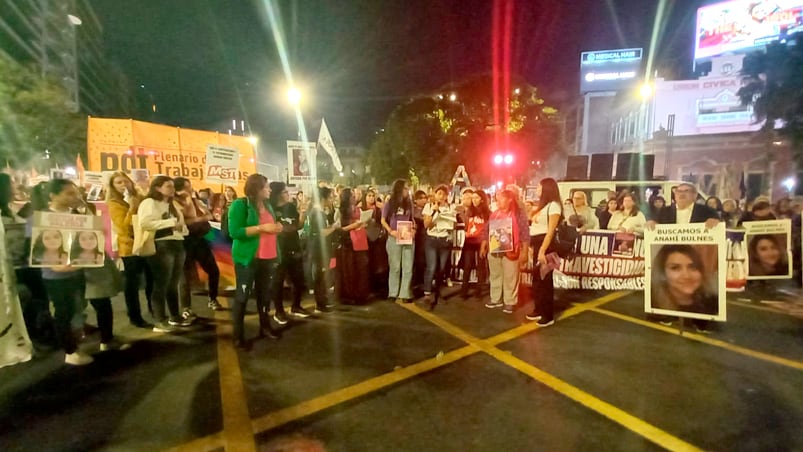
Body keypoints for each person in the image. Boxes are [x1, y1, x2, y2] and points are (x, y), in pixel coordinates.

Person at [647, 182, 720, 331]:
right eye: (678, 191)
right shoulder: (664, 211)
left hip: (694, 254)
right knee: (671, 285)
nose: (681, 194)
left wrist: (716, 223)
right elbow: (654, 227)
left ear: (694, 195)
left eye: (686, 191)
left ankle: (700, 320)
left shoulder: (706, 211)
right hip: (671, 255)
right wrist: (651, 223)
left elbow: (719, 228)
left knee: (696, 286)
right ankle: (667, 314)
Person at [39, 179, 93, 365]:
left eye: (75, 192)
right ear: (53, 195)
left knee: (78, 307)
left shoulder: (77, 214)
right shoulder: (41, 218)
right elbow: (36, 248)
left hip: (77, 270)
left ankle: (75, 341)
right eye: (69, 193)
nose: (75, 197)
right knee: (63, 311)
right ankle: (70, 351)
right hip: (56, 275)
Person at [227, 174, 283, 349]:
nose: (270, 190)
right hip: (248, 258)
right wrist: (261, 228)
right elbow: (235, 232)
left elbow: (271, 228)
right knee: (242, 297)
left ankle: (265, 327)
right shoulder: (240, 205)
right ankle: (238, 335)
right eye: (267, 187)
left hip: (268, 257)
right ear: (257, 189)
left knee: (265, 295)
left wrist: (277, 227)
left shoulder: (267, 205)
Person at [137, 176, 189, 333]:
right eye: (168, 186)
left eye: (173, 186)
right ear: (158, 188)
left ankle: (174, 315)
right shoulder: (149, 203)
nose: (172, 189)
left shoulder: (172, 204)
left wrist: (181, 228)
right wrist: (171, 223)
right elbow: (144, 223)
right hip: (161, 244)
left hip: (177, 243)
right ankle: (159, 319)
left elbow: (182, 224)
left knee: (173, 283)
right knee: (161, 283)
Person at [107, 171, 153, 328]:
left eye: (125, 181)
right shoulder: (114, 203)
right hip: (129, 247)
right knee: (132, 284)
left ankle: (154, 309)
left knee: (151, 279)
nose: (123, 185)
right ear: (113, 187)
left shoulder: (138, 197)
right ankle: (135, 316)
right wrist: (132, 208)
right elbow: (124, 226)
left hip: (145, 242)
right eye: (118, 183)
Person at [173, 178, 222, 321]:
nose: (190, 189)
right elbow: (185, 220)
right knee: (185, 277)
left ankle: (213, 298)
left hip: (200, 240)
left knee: (213, 270)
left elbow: (208, 214)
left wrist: (198, 213)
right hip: (185, 241)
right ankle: (186, 307)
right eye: (187, 187)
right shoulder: (174, 203)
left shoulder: (195, 201)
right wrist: (197, 215)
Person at [482, 189, 529, 314]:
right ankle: (495, 299)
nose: (498, 201)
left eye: (501, 198)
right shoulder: (494, 214)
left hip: (511, 251)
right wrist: (484, 244)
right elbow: (486, 230)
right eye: (497, 198)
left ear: (510, 199)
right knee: (495, 275)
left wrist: (524, 252)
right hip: (495, 249)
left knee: (511, 276)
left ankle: (510, 302)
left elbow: (525, 234)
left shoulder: (519, 215)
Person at [269, 181, 311, 319]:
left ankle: (296, 306)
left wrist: (302, 213)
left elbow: (298, 225)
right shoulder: (270, 209)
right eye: (285, 192)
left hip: (294, 247)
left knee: (298, 279)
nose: (288, 194)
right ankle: (279, 311)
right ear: (277, 194)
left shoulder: (290, 207)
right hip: (279, 250)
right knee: (278, 282)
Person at [524, 178, 562, 326]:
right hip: (536, 243)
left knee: (545, 280)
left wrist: (542, 250)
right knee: (537, 279)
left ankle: (548, 315)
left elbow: (550, 231)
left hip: (546, 245)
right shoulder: (542, 206)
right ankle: (538, 308)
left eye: (539, 187)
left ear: (546, 189)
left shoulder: (554, 206)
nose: (537, 190)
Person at [650, 244, 717, 316]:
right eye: (675, 268)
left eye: (693, 267)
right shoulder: (651, 306)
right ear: (662, 273)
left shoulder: (715, 303)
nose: (686, 276)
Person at [422, 184, 457, 309]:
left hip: (444, 240)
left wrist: (448, 221)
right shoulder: (429, 206)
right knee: (431, 266)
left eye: (444, 194)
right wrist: (434, 211)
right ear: (435, 195)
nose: (441, 196)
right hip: (432, 240)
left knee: (441, 269)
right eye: (439, 193)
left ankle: (437, 291)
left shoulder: (450, 208)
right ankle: (427, 294)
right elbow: (426, 224)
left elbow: (453, 225)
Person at [381, 179, 415, 303]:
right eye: (405, 188)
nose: (407, 191)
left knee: (407, 266)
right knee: (395, 266)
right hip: (394, 237)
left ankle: (405, 293)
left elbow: (412, 219)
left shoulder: (409, 203)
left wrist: (414, 229)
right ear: (399, 189)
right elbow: (383, 220)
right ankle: (393, 292)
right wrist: (391, 231)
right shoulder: (390, 202)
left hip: (407, 236)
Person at [308, 186, 339, 312]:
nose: (331, 200)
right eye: (329, 197)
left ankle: (323, 301)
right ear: (322, 198)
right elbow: (320, 232)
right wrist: (334, 227)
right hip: (318, 248)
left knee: (321, 274)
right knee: (319, 275)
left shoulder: (320, 212)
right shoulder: (317, 213)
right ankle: (319, 304)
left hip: (320, 247)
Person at [460, 188, 490, 299]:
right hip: (470, 241)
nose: (474, 200)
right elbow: (466, 226)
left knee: (480, 266)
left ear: (482, 199)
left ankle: (479, 290)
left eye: (476, 197)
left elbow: (488, 229)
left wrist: (484, 243)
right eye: (472, 198)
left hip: (481, 242)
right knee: (467, 265)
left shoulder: (487, 213)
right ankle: (464, 290)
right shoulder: (469, 211)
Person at [362, 188, 388, 298]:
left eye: (373, 196)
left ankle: (380, 287)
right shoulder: (361, 209)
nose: (371, 198)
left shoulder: (379, 209)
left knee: (378, 262)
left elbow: (383, 221)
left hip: (377, 237)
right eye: (369, 196)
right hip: (365, 237)